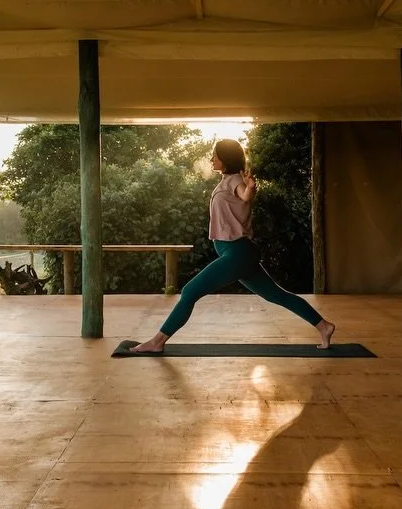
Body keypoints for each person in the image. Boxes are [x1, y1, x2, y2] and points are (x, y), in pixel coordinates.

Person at [129, 138, 335, 353]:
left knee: (190, 291)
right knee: (276, 295)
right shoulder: (226, 180)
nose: (211, 159)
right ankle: (324, 326)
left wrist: (251, 189)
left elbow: (244, 195)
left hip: (238, 252)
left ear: (225, 159)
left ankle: (157, 342)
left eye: (215, 155)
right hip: (239, 253)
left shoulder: (235, 180)